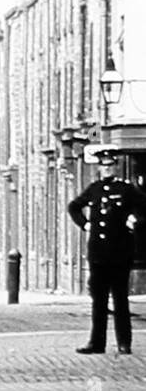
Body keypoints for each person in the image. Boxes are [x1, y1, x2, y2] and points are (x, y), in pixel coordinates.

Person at [68, 149, 146, 356]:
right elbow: (74, 207)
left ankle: (124, 343)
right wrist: (85, 225)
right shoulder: (93, 189)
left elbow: (144, 208)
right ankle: (97, 342)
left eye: (110, 165)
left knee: (120, 300)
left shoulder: (126, 189)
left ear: (116, 167)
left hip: (120, 253)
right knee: (99, 301)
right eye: (104, 166)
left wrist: (135, 221)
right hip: (98, 254)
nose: (107, 169)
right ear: (99, 168)